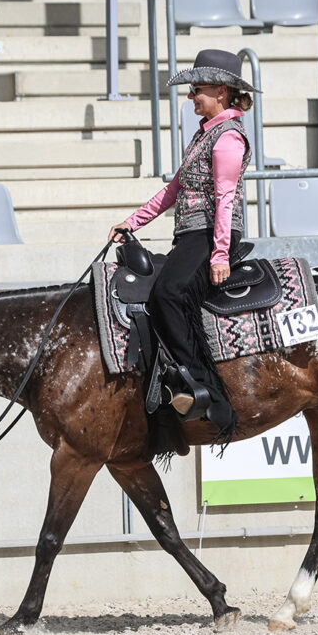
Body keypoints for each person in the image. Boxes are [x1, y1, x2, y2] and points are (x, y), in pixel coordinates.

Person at [109, 49, 259, 443]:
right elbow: (173, 190)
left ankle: (204, 389)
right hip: (192, 233)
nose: (192, 96)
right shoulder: (203, 135)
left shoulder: (227, 138)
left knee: (169, 293)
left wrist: (220, 253)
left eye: (198, 90)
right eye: (191, 90)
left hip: (210, 233)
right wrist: (132, 220)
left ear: (222, 92)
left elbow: (225, 198)